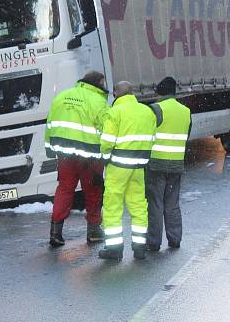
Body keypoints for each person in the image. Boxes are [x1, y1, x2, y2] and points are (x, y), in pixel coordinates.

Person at [44, 71, 110, 246]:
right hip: (89, 155)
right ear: (98, 83)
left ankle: (55, 232)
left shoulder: (62, 96)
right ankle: (94, 231)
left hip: (65, 153)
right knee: (93, 190)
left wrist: (48, 148)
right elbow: (107, 129)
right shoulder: (99, 102)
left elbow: (50, 124)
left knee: (65, 188)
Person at [98, 81, 157, 261]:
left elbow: (107, 141)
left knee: (112, 206)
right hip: (138, 165)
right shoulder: (147, 111)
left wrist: (104, 156)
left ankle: (114, 249)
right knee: (138, 205)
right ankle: (139, 247)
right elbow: (152, 138)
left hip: (118, 166)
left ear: (116, 94)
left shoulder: (115, 112)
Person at [145, 77, 191, 251]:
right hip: (176, 165)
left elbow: (146, 135)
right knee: (172, 204)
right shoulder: (185, 111)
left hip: (156, 164)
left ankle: (154, 242)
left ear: (160, 93)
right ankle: (175, 239)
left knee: (156, 204)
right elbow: (185, 137)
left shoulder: (155, 109)